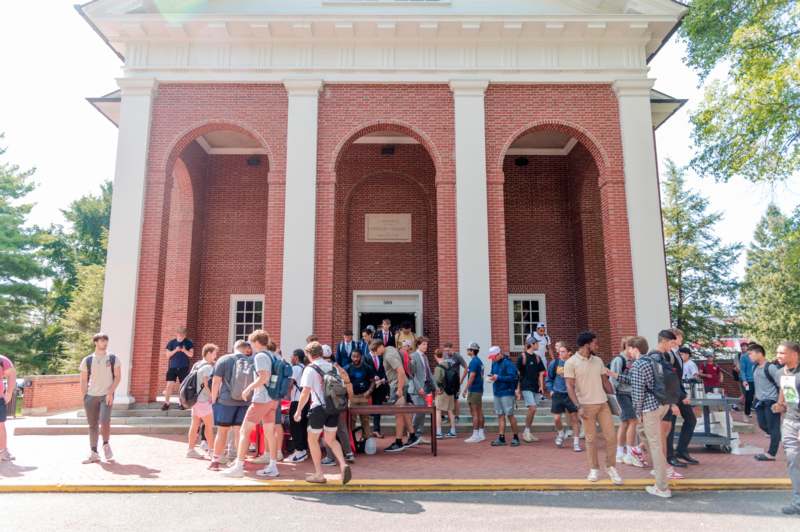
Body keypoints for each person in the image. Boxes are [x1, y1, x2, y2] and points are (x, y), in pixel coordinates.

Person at [564, 331, 622, 484]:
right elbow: (569, 387)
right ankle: (594, 469)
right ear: (586, 344)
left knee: (611, 437)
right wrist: (578, 406)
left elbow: (606, 382)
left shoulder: (598, 360)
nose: (597, 345)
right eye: (595, 343)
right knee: (591, 440)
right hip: (586, 406)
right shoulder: (570, 363)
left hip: (603, 404)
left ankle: (611, 467)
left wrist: (617, 401)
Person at [294, 341, 352, 485]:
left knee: (312, 440)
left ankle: (319, 474)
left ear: (309, 354)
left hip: (318, 407)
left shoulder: (310, 369)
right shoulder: (333, 367)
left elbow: (306, 392)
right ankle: (343, 465)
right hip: (333, 408)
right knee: (331, 439)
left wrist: (298, 410)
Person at [224, 330, 279, 478]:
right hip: (273, 398)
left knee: (244, 431)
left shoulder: (260, 356)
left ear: (256, 342)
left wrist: (248, 388)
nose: (251, 346)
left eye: (251, 343)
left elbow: (263, 377)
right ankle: (273, 466)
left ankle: (239, 466)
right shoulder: (273, 355)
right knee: (269, 432)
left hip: (261, 398)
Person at [629, 335, 671, 498]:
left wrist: (637, 412)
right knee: (646, 435)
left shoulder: (639, 364)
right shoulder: (653, 360)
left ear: (635, 349)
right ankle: (659, 468)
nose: (628, 352)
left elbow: (638, 392)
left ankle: (662, 487)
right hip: (662, 403)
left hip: (649, 407)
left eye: (630, 348)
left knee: (655, 445)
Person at [208, 340, 252, 471]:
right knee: (240, 432)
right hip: (244, 401)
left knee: (222, 431)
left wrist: (214, 399)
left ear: (235, 348)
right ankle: (239, 462)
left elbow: (216, 382)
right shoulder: (251, 361)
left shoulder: (224, 360)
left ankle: (215, 461)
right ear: (245, 349)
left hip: (226, 401)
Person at [79, 332, 122, 464]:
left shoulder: (113, 358)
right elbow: (83, 379)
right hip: (91, 396)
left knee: (104, 421)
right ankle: (93, 452)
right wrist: (85, 396)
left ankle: (106, 444)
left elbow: (118, 377)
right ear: (96, 342)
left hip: (106, 395)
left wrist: (110, 392)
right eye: (102, 340)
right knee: (92, 425)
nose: (104, 343)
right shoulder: (87, 360)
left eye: (106, 340)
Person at [664, 329, 698, 468]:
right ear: (674, 337)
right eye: (680, 337)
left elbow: (678, 377)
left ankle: (681, 450)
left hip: (679, 392)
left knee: (691, 419)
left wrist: (683, 394)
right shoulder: (667, 354)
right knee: (669, 425)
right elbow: (668, 378)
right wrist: (673, 400)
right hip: (670, 395)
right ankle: (669, 456)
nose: (681, 340)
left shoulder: (678, 353)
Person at [772, 341, 800, 515]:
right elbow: (786, 392)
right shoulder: (781, 373)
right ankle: (798, 503)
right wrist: (780, 404)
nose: (778, 356)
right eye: (777, 353)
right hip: (789, 422)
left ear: (795, 354)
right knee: (793, 462)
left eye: (782, 353)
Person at [610, 337, 643, 467]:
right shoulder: (619, 360)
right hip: (622, 394)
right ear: (627, 347)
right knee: (633, 421)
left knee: (624, 423)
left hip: (631, 394)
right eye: (633, 347)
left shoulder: (634, 360)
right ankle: (630, 453)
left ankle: (619, 452)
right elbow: (613, 378)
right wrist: (615, 396)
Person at [746, 343, 782, 462]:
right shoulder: (754, 367)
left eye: (750, 354)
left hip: (771, 402)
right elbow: (759, 385)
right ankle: (779, 436)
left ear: (759, 353)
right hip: (759, 402)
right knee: (762, 425)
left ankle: (771, 454)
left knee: (773, 427)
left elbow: (781, 385)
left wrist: (780, 403)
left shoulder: (771, 367)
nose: (749, 356)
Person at [546, 343, 581, 452]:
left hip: (571, 395)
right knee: (556, 418)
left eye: (563, 351)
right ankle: (561, 434)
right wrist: (551, 390)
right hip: (558, 394)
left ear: (569, 352)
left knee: (574, 419)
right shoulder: (555, 363)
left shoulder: (574, 364)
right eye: (559, 351)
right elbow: (549, 378)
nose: (560, 353)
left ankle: (576, 442)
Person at [187, 343, 218, 459]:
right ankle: (211, 451)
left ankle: (190, 450)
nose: (215, 356)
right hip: (204, 401)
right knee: (209, 427)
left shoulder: (196, 364)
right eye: (214, 354)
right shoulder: (208, 367)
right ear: (208, 353)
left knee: (194, 425)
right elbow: (205, 384)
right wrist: (212, 396)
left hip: (195, 400)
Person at [488, 346, 521, 447]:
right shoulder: (494, 363)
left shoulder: (508, 363)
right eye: (491, 357)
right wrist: (491, 377)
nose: (492, 359)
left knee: (510, 415)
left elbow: (513, 377)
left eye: (494, 356)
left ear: (499, 354)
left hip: (507, 392)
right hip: (497, 391)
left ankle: (516, 437)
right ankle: (501, 438)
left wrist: (498, 377)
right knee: (500, 415)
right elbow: (494, 374)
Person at [517, 340, 545, 443]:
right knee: (532, 409)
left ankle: (528, 431)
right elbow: (518, 374)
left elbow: (541, 372)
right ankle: (526, 432)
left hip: (535, 387)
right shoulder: (522, 357)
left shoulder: (537, 357)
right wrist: (517, 389)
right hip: (526, 386)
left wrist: (541, 386)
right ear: (532, 345)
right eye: (537, 343)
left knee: (533, 410)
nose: (538, 345)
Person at [408, 337, 434, 447]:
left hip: (425, 388)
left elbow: (429, 374)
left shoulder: (425, 357)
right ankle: (411, 436)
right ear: (418, 345)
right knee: (419, 411)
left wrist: (436, 387)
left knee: (423, 413)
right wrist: (419, 388)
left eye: (426, 344)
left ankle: (418, 436)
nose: (426, 346)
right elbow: (411, 375)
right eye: (423, 344)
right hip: (416, 389)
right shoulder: (413, 356)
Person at [285, 349, 309, 464]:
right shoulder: (305, 367)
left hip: (297, 401)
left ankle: (299, 451)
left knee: (295, 426)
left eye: (292, 356)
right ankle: (303, 450)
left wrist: (284, 394)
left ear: (296, 357)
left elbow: (290, 383)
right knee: (302, 425)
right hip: (305, 401)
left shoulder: (295, 368)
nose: (290, 358)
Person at [163, 326, 194, 411]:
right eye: (179, 335)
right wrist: (175, 350)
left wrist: (184, 350)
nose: (181, 336)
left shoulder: (188, 343)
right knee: (169, 385)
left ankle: (181, 403)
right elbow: (167, 355)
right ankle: (166, 403)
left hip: (184, 367)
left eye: (183, 335)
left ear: (185, 335)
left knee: (182, 387)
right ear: (176, 334)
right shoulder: (171, 343)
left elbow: (191, 355)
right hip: (172, 367)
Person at [462, 342, 485, 443]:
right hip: (478, 389)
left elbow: (472, 376)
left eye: (468, 350)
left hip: (474, 389)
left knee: (474, 412)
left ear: (472, 351)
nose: (467, 351)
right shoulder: (479, 361)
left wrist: (465, 389)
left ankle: (476, 434)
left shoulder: (474, 362)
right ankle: (481, 433)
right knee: (479, 412)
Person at [433, 349, 457, 439]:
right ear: (442, 355)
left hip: (442, 391)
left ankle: (439, 432)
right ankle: (453, 431)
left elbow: (437, 381)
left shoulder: (438, 367)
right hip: (450, 391)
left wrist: (437, 390)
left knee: (438, 410)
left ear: (435, 356)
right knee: (450, 410)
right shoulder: (449, 365)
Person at [442, 341, 468, 420]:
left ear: (452, 349)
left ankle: (456, 416)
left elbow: (466, 368)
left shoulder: (457, 356)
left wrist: (461, 380)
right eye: (445, 350)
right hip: (446, 381)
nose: (446, 352)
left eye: (448, 350)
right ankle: (444, 415)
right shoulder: (444, 356)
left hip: (455, 381)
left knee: (455, 399)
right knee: (444, 398)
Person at [0, 354, 17, 462]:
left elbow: (12, 373)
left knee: (0, 425)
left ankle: (2, 452)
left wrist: (9, 393)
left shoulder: (1, 360)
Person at [739, 342, 757, 419]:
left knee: (757, 396)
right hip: (748, 381)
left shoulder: (758, 356)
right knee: (749, 396)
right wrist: (744, 380)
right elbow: (742, 370)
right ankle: (747, 411)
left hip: (757, 380)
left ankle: (758, 410)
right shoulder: (744, 357)